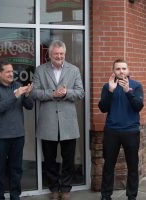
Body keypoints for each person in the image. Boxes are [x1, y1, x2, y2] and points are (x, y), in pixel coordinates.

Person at [31, 40, 85, 200]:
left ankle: (66, 188)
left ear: (65, 54)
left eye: (61, 54)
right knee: (49, 160)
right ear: (50, 55)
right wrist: (51, 93)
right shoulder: (40, 70)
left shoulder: (74, 70)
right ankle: (54, 188)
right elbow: (34, 93)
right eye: (56, 54)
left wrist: (67, 92)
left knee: (68, 159)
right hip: (48, 123)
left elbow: (80, 93)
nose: (59, 56)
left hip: (68, 123)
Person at [98, 59, 144, 200]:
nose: (121, 71)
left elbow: (138, 107)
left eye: (124, 68)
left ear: (128, 70)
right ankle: (106, 196)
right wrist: (111, 91)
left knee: (132, 166)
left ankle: (131, 196)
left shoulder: (136, 86)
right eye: (118, 69)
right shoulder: (107, 86)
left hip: (131, 131)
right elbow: (103, 108)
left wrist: (127, 91)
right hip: (112, 131)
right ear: (114, 71)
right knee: (108, 165)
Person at [0, 61, 33, 200]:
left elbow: (29, 106)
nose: (12, 74)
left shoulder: (17, 86)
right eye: (8, 71)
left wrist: (27, 95)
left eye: (12, 71)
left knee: (16, 169)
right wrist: (14, 96)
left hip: (17, 135)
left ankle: (15, 196)